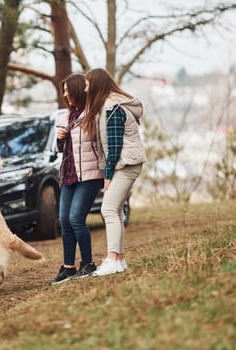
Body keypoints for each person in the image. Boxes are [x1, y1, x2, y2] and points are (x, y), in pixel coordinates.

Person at [83, 68, 146, 277]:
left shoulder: (112, 108)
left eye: (87, 84)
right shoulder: (108, 106)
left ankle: (112, 259)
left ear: (96, 85)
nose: (85, 89)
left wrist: (108, 175)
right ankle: (118, 260)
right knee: (116, 210)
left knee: (108, 209)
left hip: (126, 164)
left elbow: (115, 146)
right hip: (126, 163)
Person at [49, 73, 104, 285]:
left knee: (75, 219)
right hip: (69, 174)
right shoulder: (66, 116)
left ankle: (88, 264)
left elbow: (99, 144)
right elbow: (62, 149)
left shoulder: (93, 114)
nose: (64, 95)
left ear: (78, 90)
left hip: (89, 174)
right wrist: (59, 139)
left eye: (67, 90)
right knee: (64, 220)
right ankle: (68, 267)